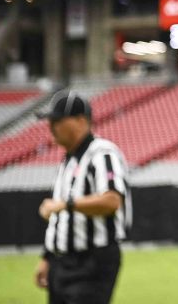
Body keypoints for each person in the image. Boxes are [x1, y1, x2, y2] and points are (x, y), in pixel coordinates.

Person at [34, 90, 132, 304]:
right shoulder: (68, 161)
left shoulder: (102, 153)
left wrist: (65, 205)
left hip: (92, 261)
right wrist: (48, 257)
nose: (51, 127)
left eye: (58, 121)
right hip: (62, 262)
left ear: (81, 121)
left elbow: (111, 201)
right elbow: (63, 219)